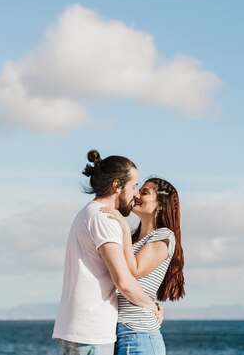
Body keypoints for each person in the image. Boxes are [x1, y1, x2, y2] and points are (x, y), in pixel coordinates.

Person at [53, 150, 162, 355]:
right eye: (134, 186)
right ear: (116, 186)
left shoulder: (88, 213)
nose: (136, 194)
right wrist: (152, 305)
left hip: (76, 330)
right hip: (91, 333)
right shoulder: (104, 219)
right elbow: (124, 281)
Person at [101, 177, 185, 355]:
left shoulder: (164, 236)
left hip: (138, 333)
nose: (137, 195)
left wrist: (123, 227)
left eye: (145, 192)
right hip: (120, 331)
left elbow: (134, 271)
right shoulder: (132, 239)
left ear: (161, 205)